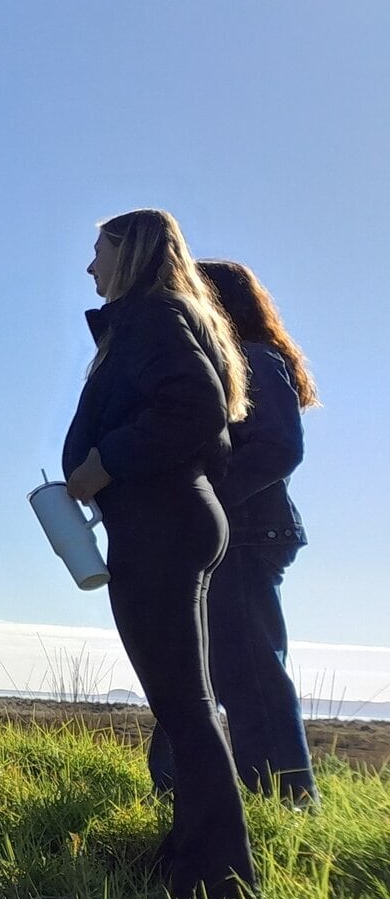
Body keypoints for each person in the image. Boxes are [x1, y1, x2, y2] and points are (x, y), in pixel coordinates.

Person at [62, 208, 257, 899]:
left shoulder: (151, 317)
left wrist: (103, 464)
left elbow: (194, 410)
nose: (89, 267)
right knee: (185, 704)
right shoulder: (169, 315)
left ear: (133, 254)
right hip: (171, 517)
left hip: (161, 522)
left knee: (185, 706)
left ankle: (218, 879)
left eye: (99, 252)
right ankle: (192, 856)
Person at [148, 260, 319, 805]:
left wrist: (209, 502)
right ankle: (184, 794)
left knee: (248, 670)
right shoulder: (229, 362)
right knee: (200, 668)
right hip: (232, 532)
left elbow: (280, 446)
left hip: (246, 533)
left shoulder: (254, 358)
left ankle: (288, 804)